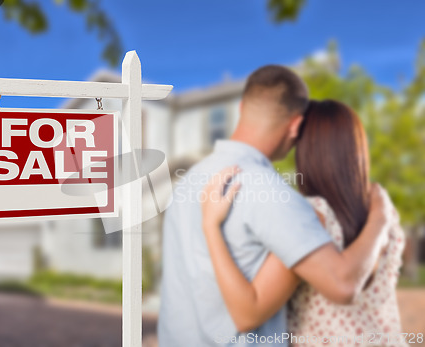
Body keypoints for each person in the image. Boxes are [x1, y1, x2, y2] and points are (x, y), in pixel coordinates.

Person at [158, 65, 394, 347]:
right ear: (295, 125)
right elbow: (343, 285)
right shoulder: (271, 193)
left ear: (244, 107)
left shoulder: (186, 184)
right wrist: (380, 217)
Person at [201, 100, 406, 346]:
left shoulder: (311, 216)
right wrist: (381, 217)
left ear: (306, 151)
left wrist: (210, 225)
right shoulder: (383, 211)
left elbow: (248, 314)